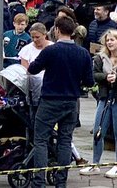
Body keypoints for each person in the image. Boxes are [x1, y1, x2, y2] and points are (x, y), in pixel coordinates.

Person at [28, 15, 94, 188]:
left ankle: (39, 182)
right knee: (65, 140)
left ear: (56, 30)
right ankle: (60, 182)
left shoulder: (51, 50)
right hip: (71, 102)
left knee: (41, 140)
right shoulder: (83, 53)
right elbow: (89, 82)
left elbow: (33, 69)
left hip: (50, 100)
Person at [81, 30, 117, 178]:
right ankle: (95, 164)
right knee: (97, 132)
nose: (109, 43)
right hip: (105, 98)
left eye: (112, 40)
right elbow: (94, 74)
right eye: (107, 40)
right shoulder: (101, 58)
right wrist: (107, 77)